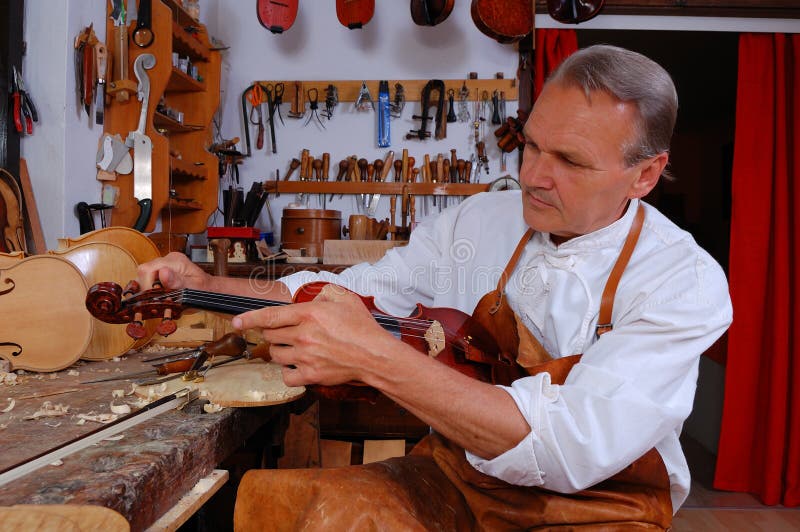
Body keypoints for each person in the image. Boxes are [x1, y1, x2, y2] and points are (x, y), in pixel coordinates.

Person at [138, 45, 732, 530]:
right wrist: (203, 287)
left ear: (646, 174)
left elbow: (569, 448)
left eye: (571, 162)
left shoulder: (682, 282)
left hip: (602, 509)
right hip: (459, 479)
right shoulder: (478, 222)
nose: (531, 176)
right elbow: (349, 294)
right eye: (530, 144)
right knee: (311, 514)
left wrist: (375, 359)